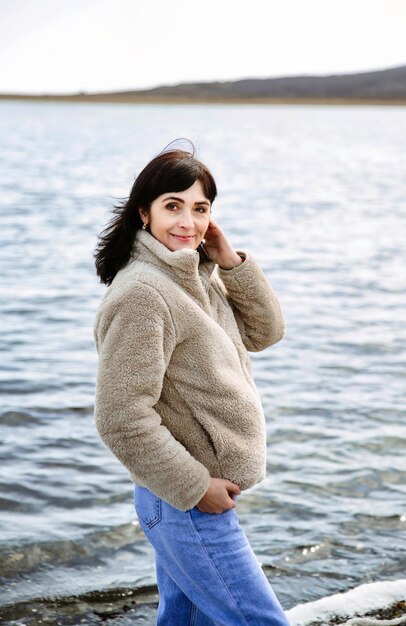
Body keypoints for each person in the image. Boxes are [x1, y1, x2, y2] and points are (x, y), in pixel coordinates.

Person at [93, 142, 290, 625]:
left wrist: (230, 262)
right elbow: (120, 417)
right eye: (173, 206)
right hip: (183, 501)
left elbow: (265, 333)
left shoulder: (195, 276)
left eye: (200, 208)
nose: (187, 222)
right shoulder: (144, 293)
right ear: (145, 213)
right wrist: (195, 486)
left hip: (186, 500)